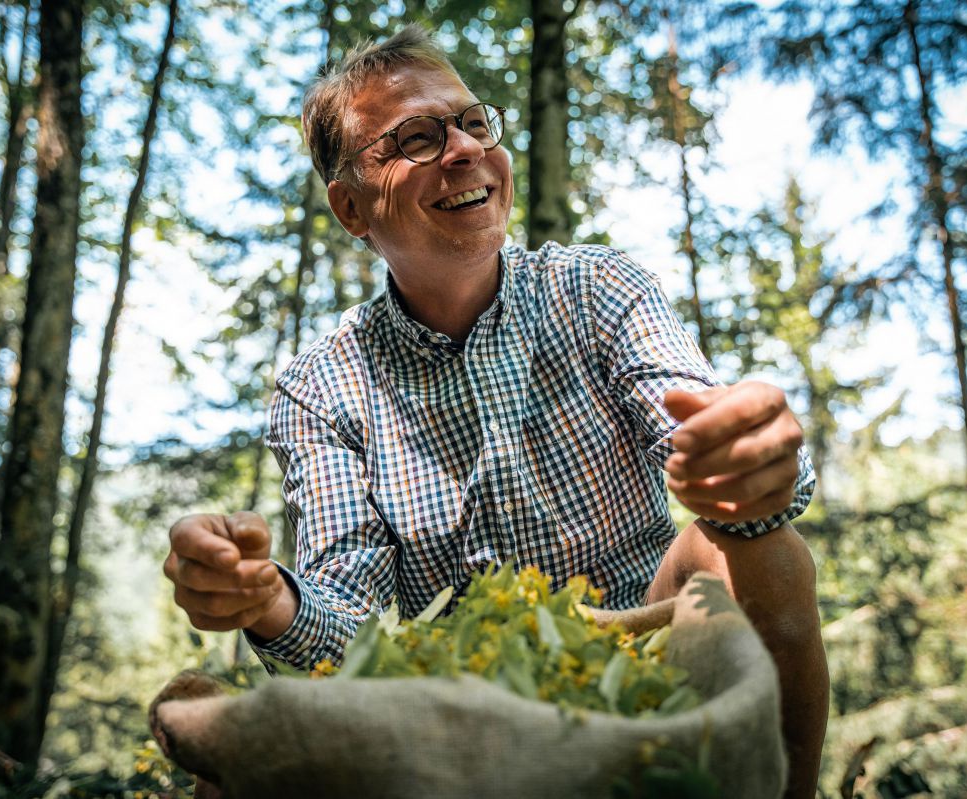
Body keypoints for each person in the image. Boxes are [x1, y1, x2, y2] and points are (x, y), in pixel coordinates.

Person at [163, 25, 828, 799]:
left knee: (757, 546)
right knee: (235, 780)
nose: (464, 149)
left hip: (643, 637)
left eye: (474, 122)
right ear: (351, 208)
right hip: (447, 704)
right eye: (416, 137)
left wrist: (748, 466)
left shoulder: (599, 291)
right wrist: (270, 601)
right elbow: (353, 628)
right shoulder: (323, 386)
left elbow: (703, 427)